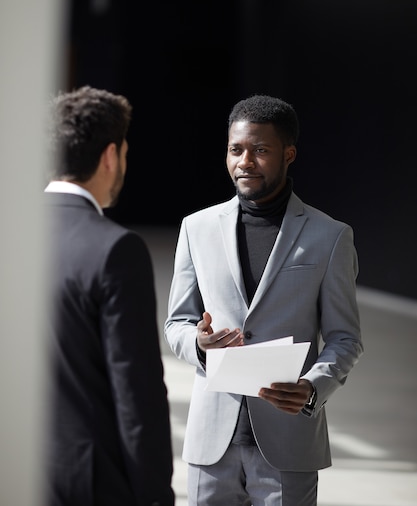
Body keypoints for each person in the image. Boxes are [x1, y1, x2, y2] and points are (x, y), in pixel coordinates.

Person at [164, 94, 363, 506]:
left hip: (288, 442)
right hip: (210, 442)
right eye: (236, 149)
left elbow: (346, 339)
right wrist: (198, 345)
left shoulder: (330, 236)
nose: (245, 161)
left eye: (261, 150)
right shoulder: (196, 228)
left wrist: (313, 388)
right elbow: (176, 323)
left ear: (288, 154)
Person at [45, 86, 175, 506]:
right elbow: (136, 390)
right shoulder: (116, 249)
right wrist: (155, 494)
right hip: (90, 482)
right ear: (109, 156)